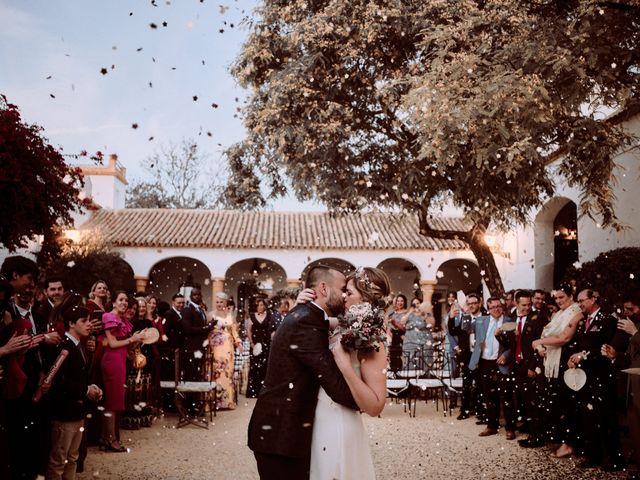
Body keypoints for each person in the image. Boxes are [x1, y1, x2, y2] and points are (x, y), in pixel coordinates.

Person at [248, 266, 358, 480]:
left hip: (280, 430)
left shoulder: (308, 315)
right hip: (281, 436)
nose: (345, 295)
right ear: (323, 288)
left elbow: (328, 323)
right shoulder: (306, 320)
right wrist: (369, 399)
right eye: (343, 289)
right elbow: (333, 383)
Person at [309, 266, 389, 480]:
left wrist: (345, 367)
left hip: (339, 422)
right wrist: (304, 304)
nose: (344, 296)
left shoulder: (372, 341)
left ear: (366, 300)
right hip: (319, 419)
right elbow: (316, 321)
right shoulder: (343, 325)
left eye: (350, 292)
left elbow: (375, 405)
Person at [46, 304, 102, 480]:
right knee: (58, 460)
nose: (88, 325)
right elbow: (58, 381)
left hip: (77, 410)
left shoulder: (79, 346)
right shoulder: (64, 346)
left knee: (72, 458)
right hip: (64, 412)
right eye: (83, 321)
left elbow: (79, 376)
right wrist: (85, 390)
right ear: (71, 323)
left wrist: (92, 388)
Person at [569, 289, 622, 470]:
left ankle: (614, 459)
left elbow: (605, 348)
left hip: (602, 375)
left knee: (607, 418)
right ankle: (593, 455)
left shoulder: (608, 320)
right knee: (589, 417)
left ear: (593, 299)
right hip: (585, 378)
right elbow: (579, 345)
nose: (580, 304)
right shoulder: (584, 321)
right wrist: (573, 356)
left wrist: (584, 356)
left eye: (582, 300)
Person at [532, 284, 582, 459]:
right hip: (555, 361)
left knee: (567, 403)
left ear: (571, 295)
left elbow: (564, 338)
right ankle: (562, 440)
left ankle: (569, 444)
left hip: (568, 360)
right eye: (556, 298)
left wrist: (539, 341)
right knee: (557, 402)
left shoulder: (575, 312)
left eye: (562, 297)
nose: (559, 300)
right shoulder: (559, 314)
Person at [100, 292, 145, 452]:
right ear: (113, 302)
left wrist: (137, 340)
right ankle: (110, 440)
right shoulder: (108, 316)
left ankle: (108, 437)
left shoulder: (124, 320)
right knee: (112, 402)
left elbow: (126, 346)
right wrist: (131, 340)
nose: (124, 303)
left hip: (120, 361)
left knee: (117, 401)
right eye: (121, 300)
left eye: (126, 300)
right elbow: (112, 343)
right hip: (112, 361)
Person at [469, 297, 516, 440]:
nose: (496, 309)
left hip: (502, 362)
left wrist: (506, 356)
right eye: (492, 307)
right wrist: (475, 360)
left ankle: (510, 428)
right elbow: (479, 342)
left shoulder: (510, 322)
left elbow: (514, 344)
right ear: (488, 309)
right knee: (489, 396)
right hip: (485, 362)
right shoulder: (481, 321)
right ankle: (492, 426)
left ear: (502, 307)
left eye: (498, 306)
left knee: (506, 396)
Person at [509, 290, 547, 449]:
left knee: (534, 401)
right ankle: (528, 429)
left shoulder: (538, 318)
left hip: (530, 364)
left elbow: (542, 343)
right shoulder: (511, 319)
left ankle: (537, 436)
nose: (527, 308)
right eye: (523, 305)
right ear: (516, 303)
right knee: (522, 400)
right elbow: (509, 343)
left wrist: (534, 366)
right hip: (516, 364)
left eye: (529, 304)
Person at [209, 292, 241, 409]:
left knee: (227, 373)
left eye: (221, 302)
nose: (219, 304)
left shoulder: (230, 316)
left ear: (226, 303)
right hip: (215, 348)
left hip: (228, 348)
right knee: (216, 372)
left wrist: (238, 342)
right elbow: (207, 331)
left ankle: (227, 402)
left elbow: (234, 331)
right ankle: (214, 401)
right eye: (217, 302)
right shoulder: (211, 315)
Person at [246, 298, 274, 398]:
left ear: (265, 306)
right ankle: (253, 391)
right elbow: (249, 331)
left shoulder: (269, 316)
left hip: (266, 345)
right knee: (254, 367)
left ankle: (263, 391)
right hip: (255, 345)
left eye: (261, 305)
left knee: (265, 367)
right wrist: (252, 343)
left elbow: (272, 330)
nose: (260, 307)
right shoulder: (252, 317)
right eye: (258, 305)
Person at [399, 298, 435, 367]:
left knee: (424, 361)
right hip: (410, 342)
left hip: (424, 341)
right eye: (414, 304)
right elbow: (401, 323)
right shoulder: (408, 314)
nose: (416, 305)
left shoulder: (426, 313)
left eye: (418, 303)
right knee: (410, 361)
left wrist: (424, 314)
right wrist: (409, 312)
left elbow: (432, 325)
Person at [387, 294, 407, 373]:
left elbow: (406, 328)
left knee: (401, 357)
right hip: (393, 337)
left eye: (402, 301)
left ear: (405, 302)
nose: (400, 302)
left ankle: (401, 374)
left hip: (402, 337)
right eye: (398, 301)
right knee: (392, 357)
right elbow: (388, 326)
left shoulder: (406, 313)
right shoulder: (392, 314)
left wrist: (396, 324)